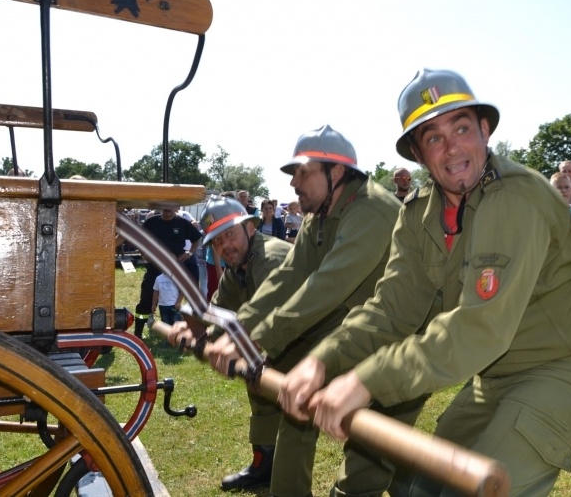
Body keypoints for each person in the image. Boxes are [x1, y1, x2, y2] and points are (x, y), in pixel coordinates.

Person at [278, 69, 571, 496]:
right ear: (418, 155)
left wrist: (365, 381)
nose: (452, 147)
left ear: (485, 130)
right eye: (433, 137)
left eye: (461, 127)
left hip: (567, 368)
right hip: (493, 377)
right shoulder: (419, 212)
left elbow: (481, 326)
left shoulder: (515, 197)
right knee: (423, 489)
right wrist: (324, 360)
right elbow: (390, 309)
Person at [205, 125, 423, 497]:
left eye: (302, 172)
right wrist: (238, 331)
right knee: (298, 409)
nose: (293, 184)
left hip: (407, 341)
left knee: (372, 456)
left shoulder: (371, 210)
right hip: (360, 336)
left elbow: (327, 283)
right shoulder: (320, 217)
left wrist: (257, 338)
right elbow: (289, 277)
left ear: (335, 172)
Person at [168, 195, 292, 489]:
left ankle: (287, 482)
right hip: (278, 336)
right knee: (258, 385)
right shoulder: (237, 267)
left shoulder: (271, 258)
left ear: (249, 228)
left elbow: (277, 317)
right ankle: (264, 465)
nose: (226, 246)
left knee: (292, 415)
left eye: (230, 235)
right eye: (217, 242)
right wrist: (196, 333)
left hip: (310, 337)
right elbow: (219, 314)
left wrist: (249, 351)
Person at [131, 207, 202, 338]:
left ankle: (185, 332)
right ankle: (138, 333)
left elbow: (197, 239)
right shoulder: (151, 222)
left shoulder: (182, 223)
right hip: (155, 266)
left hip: (176, 269)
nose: (167, 208)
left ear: (176, 208)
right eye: (164, 205)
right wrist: (143, 253)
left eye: (171, 206)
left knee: (177, 302)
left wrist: (189, 252)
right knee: (145, 300)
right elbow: (138, 238)